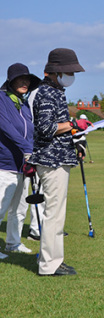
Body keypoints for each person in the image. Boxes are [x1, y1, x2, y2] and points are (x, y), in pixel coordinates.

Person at [28, 48, 85, 276]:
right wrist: (72, 125)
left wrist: (74, 132)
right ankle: (48, 264)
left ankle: (53, 259)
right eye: (68, 70)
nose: (72, 75)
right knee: (54, 213)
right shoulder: (46, 93)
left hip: (60, 157)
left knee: (57, 213)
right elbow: (45, 128)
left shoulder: (56, 91)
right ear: (55, 71)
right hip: (51, 160)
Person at [0, 63, 40, 256]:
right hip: (5, 164)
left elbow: (30, 131)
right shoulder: (1, 99)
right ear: (11, 81)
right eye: (21, 79)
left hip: (23, 165)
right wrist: (27, 148)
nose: (25, 82)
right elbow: (7, 129)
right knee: (1, 208)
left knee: (19, 210)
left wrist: (33, 150)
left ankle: (13, 243)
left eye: (28, 80)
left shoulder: (23, 104)